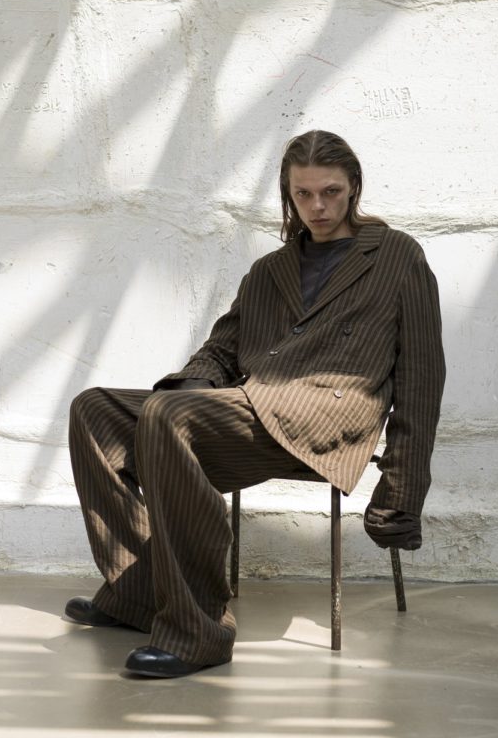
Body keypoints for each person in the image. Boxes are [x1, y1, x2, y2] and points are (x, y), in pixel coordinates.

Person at [65, 130, 446, 678]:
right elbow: (222, 349)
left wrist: (401, 492)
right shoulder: (269, 270)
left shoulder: (396, 256)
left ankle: (198, 632)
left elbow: (422, 375)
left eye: (331, 192)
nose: (317, 207)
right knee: (95, 410)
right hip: (252, 408)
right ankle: (137, 591)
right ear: (288, 194)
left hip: (326, 419)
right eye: (303, 194)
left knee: (168, 416)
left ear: (354, 188)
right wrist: (194, 386)